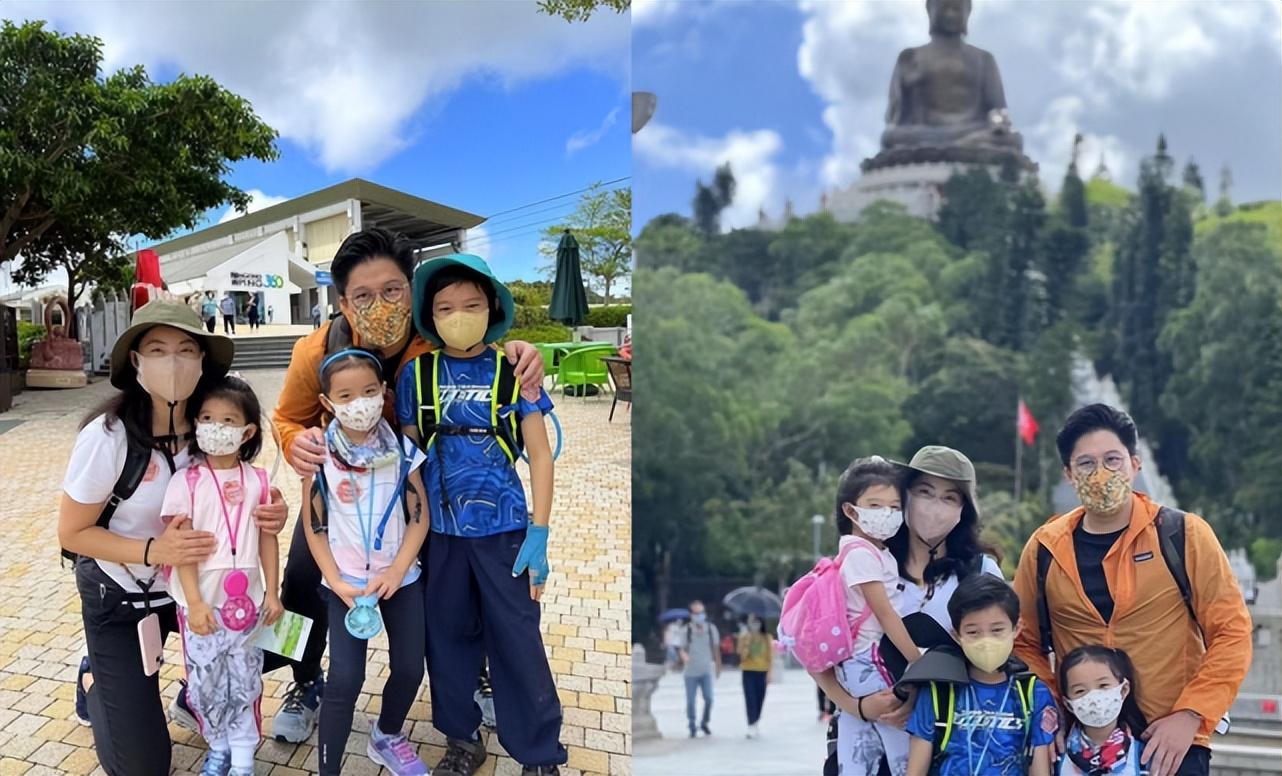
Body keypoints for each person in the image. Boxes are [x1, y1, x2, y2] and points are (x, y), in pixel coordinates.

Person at [269, 227, 545, 744]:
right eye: (363, 295)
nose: (380, 305)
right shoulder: (314, 352)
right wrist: (292, 444)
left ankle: (474, 673)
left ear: (411, 291)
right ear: (344, 303)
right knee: (302, 577)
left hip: (419, 497)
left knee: (454, 585)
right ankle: (302, 682)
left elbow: (485, 349)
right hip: (344, 504)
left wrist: (523, 352)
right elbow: (284, 417)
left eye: (393, 290)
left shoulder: (433, 343)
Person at [56, 299, 288, 776]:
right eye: (157, 350)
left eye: (187, 349)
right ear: (136, 362)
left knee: (291, 626)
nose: (174, 362)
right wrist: (153, 550)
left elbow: (241, 496)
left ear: (203, 361)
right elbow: (72, 533)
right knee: (144, 766)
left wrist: (270, 512)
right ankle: (98, 677)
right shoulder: (109, 436)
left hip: (199, 593)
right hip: (123, 596)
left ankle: (203, 687)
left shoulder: (211, 428)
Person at [1012, 404, 1252, 776]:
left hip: (1169, 743)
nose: (1101, 474)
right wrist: (1051, 709)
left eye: (1112, 460)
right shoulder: (1045, 549)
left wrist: (1192, 715)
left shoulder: (1182, 536)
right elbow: (1024, 641)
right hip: (1082, 745)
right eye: (1086, 464)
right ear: (1069, 475)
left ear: (1135, 465)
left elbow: (1231, 633)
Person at [397, 253, 564, 776]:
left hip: (506, 532)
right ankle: (462, 740)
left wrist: (540, 531)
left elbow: (538, 453)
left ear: (491, 308)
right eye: (445, 306)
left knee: (517, 638)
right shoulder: (415, 375)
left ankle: (538, 752)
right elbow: (409, 461)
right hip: (440, 536)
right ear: (431, 315)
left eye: (471, 304)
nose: (458, 314)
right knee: (446, 641)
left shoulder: (514, 370)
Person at [822, 445, 1004, 776]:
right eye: (924, 492)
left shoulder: (981, 572)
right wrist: (859, 707)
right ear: (904, 496)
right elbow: (818, 653)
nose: (934, 507)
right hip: (863, 741)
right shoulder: (865, 564)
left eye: (950, 497)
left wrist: (921, 700)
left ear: (964, 509)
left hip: (952, 746)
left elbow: (997, 661)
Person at [304, 349, 431, 775]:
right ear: (328, 403)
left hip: (401, 580)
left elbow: (420, 516)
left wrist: (399, 570)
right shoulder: (319, 454)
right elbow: (314, 526)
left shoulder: (402, 449)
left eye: (369, 392)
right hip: (346, 585)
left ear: (383, 393)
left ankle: (388, 733)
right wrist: (333, 579)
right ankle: (328, 768)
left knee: (411, 665)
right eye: (346, 395)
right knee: (344, 679)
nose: (359, 403)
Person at [164, 375, 282, 776]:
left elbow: (268, 539)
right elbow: (179, 546)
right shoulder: (186, 481)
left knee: (245, 681)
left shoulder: (258, 481)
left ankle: (244, 760)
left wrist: (272, 592)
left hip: (246, 606)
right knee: (206, 682)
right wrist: (195, 602)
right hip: (200, 606)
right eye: (207, 418)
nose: (216, 428)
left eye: (228, 420)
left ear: (248, 431)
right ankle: (217, 748)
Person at [810, 456, 921, 776]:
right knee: (901, 746)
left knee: (858, 750)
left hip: (857, 663)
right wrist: (916, 660)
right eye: (875, 505)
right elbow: (886, 614)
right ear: (850, 510)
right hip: (867, 662)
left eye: (893, 506)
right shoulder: (860, 554)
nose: (885, 514)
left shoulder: (870, 552)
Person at [906, 574, 1058, 776]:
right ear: (957, 635)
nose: (986, 641)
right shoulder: (939, 692)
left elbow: (1039, 770)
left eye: (997, 630)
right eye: (973, 632)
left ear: (1016, 628)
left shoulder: (1032, 693)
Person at [1055, 646, 1150, 776]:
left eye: (1103, 686)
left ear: (1123, 690)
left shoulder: (1145, 757)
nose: (1094, 698)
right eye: (1080, 691)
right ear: (1068, 704)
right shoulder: (1056, 758)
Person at [679, 600, 721, 738]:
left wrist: (718, 667)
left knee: (709, 699)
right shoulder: (687, 630)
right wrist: (684, 656)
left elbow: (716, 649)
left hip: (706, 670)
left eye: (701, 613)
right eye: (696, 613)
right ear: (691, 615)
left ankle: (704, 722)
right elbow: (681, 649)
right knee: (691, 701)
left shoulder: (711, 629)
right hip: (690, 672)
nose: (699, 615)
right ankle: (692, 724)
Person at [737, 614, 773, 739]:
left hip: (762, 671)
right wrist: (747, 643)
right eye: (752, 622)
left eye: (757, 622)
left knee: (760, 698)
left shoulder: (766, 638)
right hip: (748, 671)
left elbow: (770, 657)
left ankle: (756, 720)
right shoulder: (744, 637)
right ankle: (751, 723)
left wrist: (769, 673)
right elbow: (741, 655)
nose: (755, 625)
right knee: (750, 698)